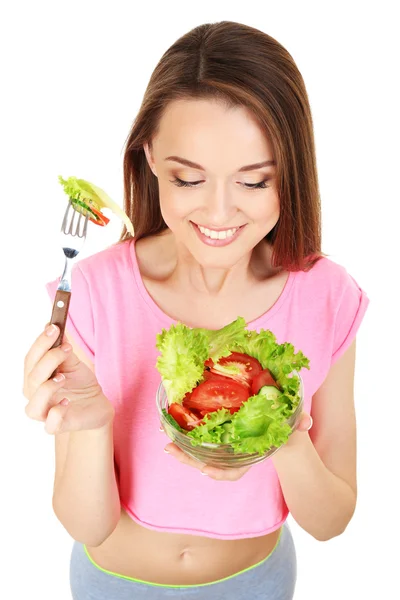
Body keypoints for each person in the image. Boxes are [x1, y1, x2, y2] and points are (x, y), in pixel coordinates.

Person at [23, 20, 370, 600]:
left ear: (292, 173)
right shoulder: (94, 289)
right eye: (188, 177)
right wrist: (91, 422)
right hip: (113, 584)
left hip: (255, 583)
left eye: (255, 183)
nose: (219, 211)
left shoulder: (325, 294)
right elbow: (87, 525)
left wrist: (283, 436)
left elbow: (331, 521)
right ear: (151, 156)